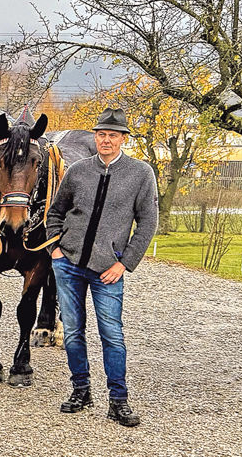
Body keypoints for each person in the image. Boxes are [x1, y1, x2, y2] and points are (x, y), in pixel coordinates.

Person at [47, 107, 159, 427]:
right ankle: (81, 390)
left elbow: (148, 223)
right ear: (95, 137)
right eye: (101, 134)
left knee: (112, 335)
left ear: (123, 139)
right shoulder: (79, 170)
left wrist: (124, 263)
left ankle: (118, 401)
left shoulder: (140, 173)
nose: (106, 140)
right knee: (72, 332)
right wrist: (55, 248)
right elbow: (56, 212)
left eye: (112, 135)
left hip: (108, 270)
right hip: (68, 265)